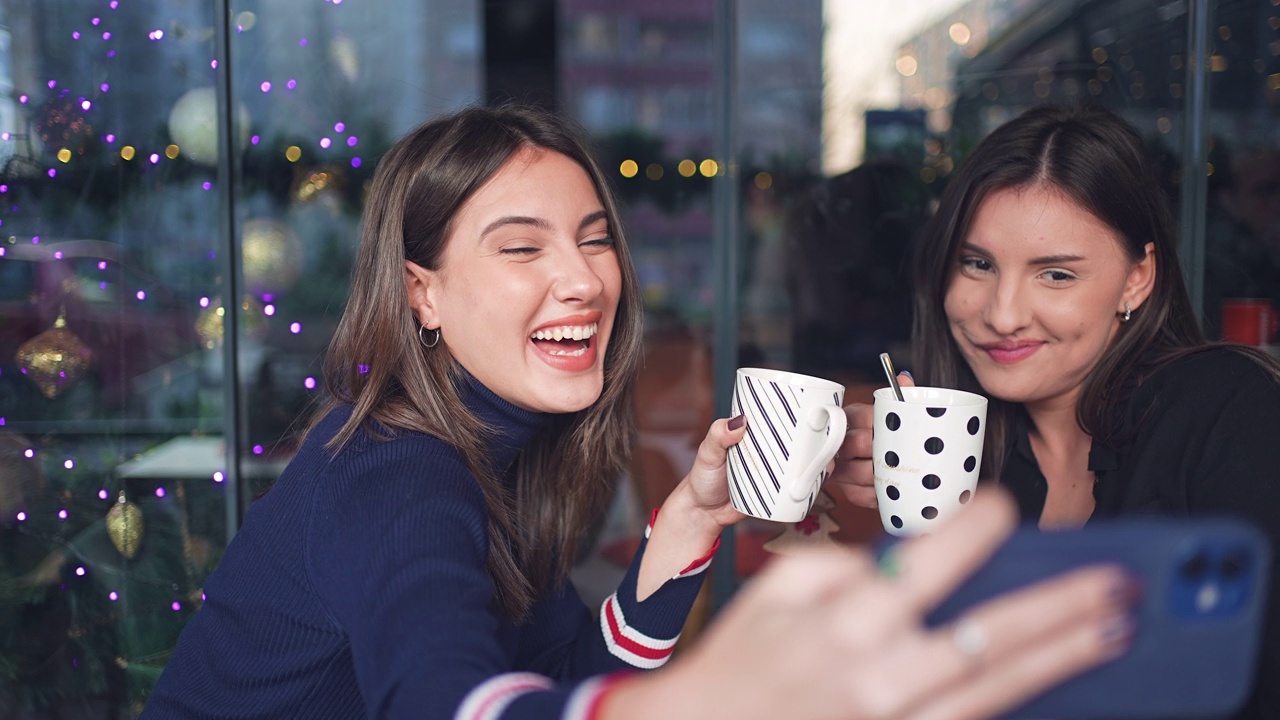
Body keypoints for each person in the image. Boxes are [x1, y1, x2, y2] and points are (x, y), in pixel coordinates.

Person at [142, 104, 1138, 719]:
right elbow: (451, 704)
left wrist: (690, 522)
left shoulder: (494, 451)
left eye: (591, 239)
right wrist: (717, 701)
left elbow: (570, 673)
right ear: (422, 293)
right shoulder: (399, 471)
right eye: (521, 248)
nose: (582, 280)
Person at [832, 103, 1280, 720]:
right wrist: (917, 521)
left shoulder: (1226, 409)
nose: (1003, 313)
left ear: (1136, 278)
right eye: (978, 264)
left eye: (1056, 275)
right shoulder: (980, 462)